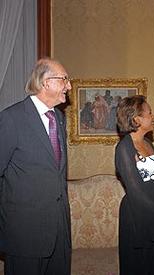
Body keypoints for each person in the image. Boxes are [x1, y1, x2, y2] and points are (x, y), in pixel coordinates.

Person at [0, 57, 72, 275]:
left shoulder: (58, 118)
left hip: (59, 231)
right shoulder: (11, 119)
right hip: (24, 233)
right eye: (64, 79)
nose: (69, 86)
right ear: (45, 82)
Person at [115, 95, 154, 275]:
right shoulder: (124, 148)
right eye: (149, 113)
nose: (153, 116)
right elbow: (135, 191)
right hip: (137, 217)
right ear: (137, 119)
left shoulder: (148, 144)